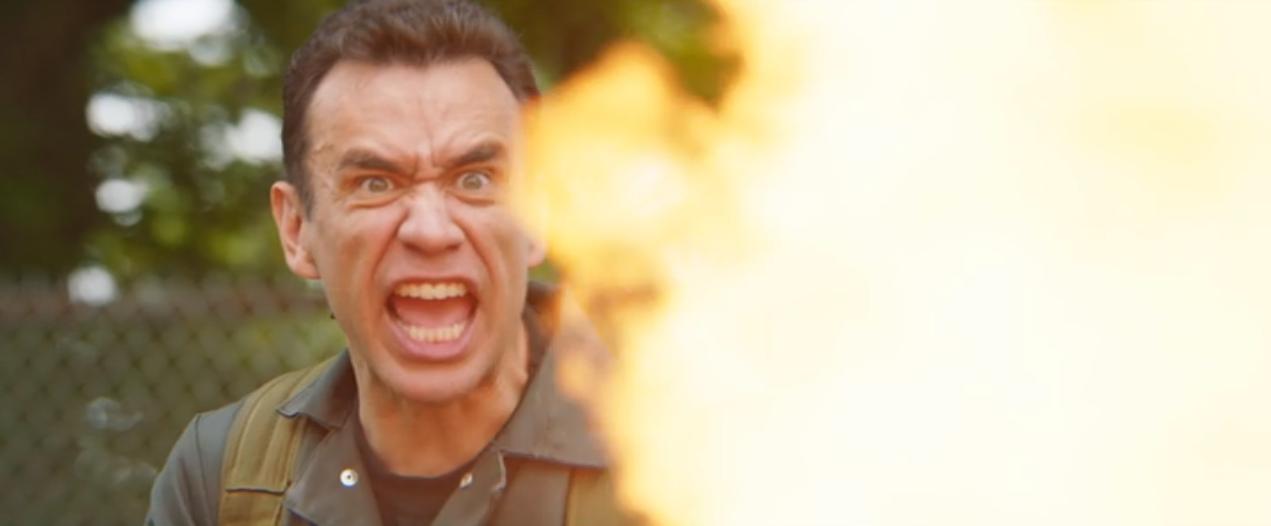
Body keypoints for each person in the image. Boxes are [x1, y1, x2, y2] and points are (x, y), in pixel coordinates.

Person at [145, 1, 633, 524]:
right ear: (296, 229)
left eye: (474, 180)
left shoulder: (673, 454)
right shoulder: (221, 477)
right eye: (375, 184)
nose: (430, 230)